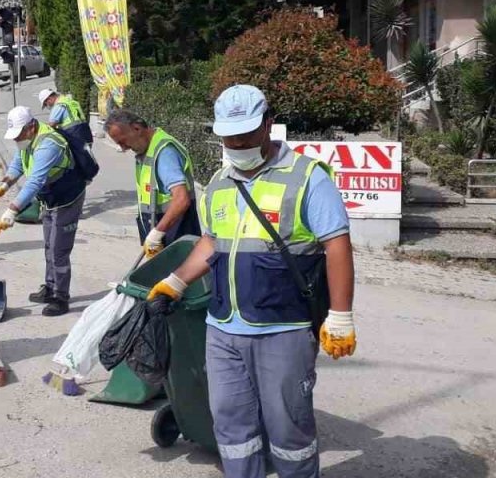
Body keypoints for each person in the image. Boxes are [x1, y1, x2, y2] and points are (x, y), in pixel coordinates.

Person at [146, 85, 356, 478]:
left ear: (268, 126)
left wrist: (340, 315)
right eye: (229, 135)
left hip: (284, 327)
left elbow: (337, 246)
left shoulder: (307, 177)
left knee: (288, 430)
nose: (237, 142)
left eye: (245, 133)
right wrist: (175, 281)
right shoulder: (221, 182)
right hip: (223, 328)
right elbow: (211, 242)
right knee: (230, 425)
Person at [0, 106, 88, 316]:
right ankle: (50, 287)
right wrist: (3, 187)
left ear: (31, 127)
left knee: (59, 250)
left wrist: (12, 211)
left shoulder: (48, 144)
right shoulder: (27, 140)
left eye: (19, 135)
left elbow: (34, 181)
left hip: (67, 197)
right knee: (49, 245)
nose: (17, 140)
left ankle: (61, 297)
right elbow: (18, 164)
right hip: (50, 197)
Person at [103, 110, 200, 258]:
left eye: (123, 141)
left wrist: (157, 233)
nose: (123, 148)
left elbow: (181, 199)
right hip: (163, 233)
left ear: (137, 128)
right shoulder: (147, 151)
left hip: (176, 235)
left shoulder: (164, 152)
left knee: (175, 279)